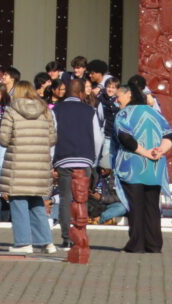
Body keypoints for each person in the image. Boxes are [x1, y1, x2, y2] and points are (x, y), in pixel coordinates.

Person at [113, 77, 172, 253]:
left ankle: (136, 244)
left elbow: (125, 137)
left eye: (119, 96)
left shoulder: (124, 114)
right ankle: (154, 244)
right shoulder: (155, 113)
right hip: (155, 167)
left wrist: (145, 152)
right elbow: (170, 135)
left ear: (129, 95)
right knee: (152, 206)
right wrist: (160, 151)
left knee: (136, 206)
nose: (117, 100)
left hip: (133, 167)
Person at [0, 80, 57, 254]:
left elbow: (2, 138)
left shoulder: (12, 111)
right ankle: (46, 242)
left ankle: (24, 242)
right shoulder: (46, 111)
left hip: (18, 164)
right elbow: (52, 139)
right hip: (39, 165)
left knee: (18, 202)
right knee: (36, 202)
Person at [52, 78, 103, 249]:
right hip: (84, 159)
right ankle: (80, 234)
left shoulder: (56, 110)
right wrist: (93, 158)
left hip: (63, 158)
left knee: (65, 198)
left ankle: (66, 237)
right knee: (82, 199)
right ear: (82, 93)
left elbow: (52, 136)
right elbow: (97, 138)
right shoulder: (90, 110)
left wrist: (53, 161)